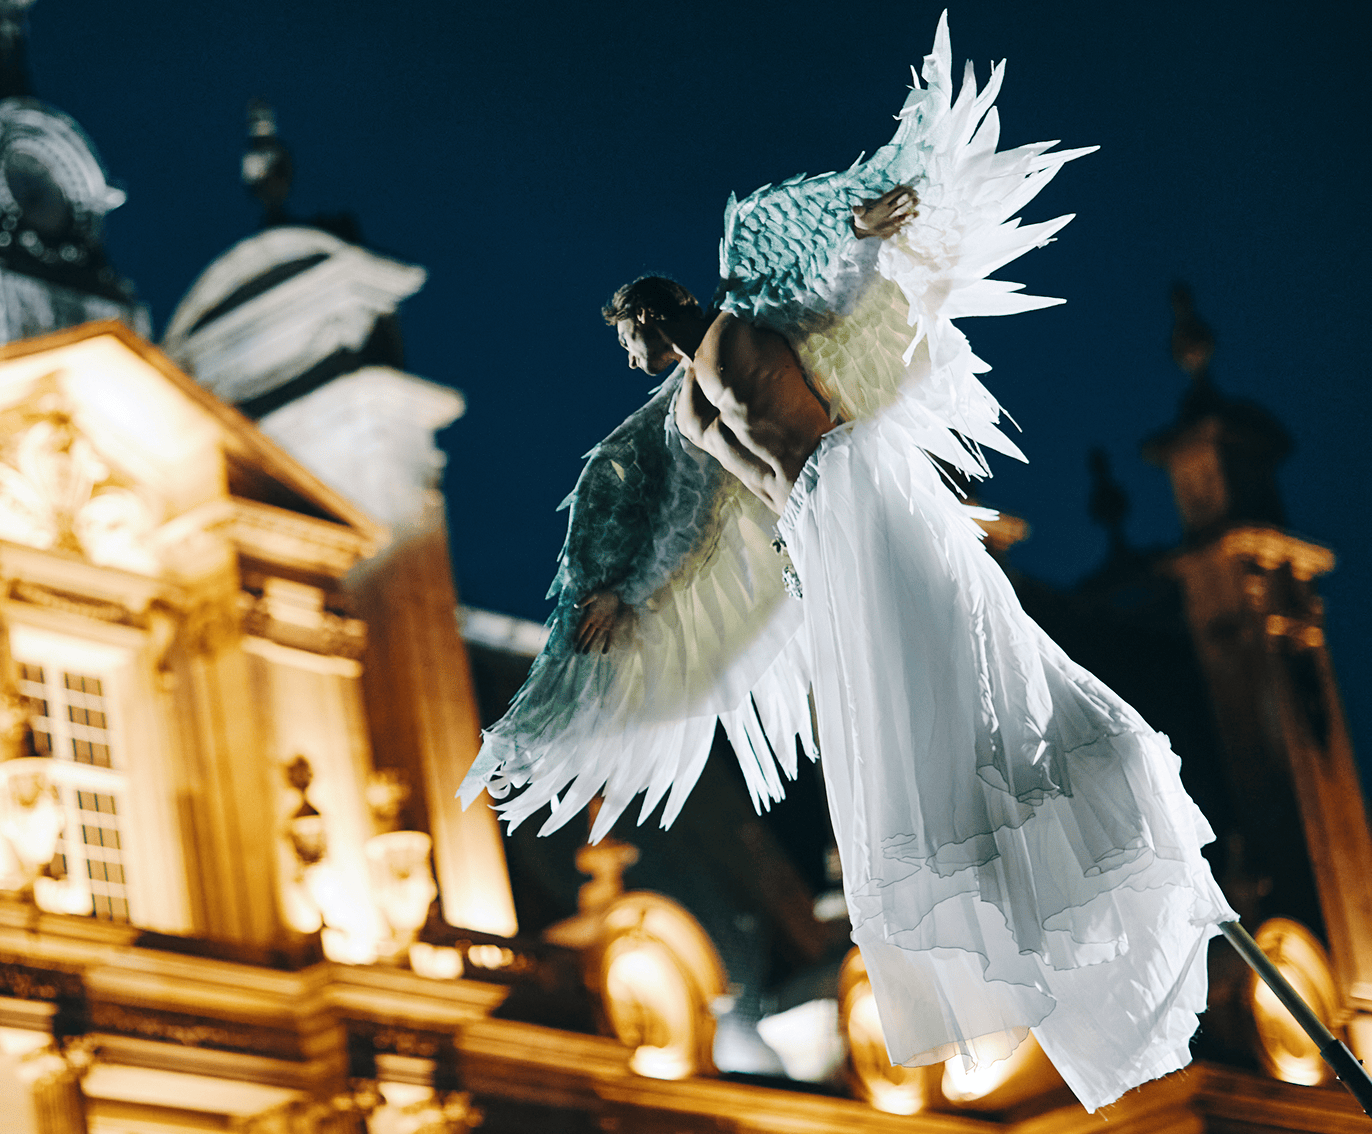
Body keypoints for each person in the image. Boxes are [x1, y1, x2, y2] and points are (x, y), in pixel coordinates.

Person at [459, 16, 1235, 1112]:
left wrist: (869, 233)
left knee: (951, 658)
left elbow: (834, 291)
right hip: (814, 528)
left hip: (853, 482)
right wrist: (621, 598)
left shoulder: (739, 320)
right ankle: (998, 857)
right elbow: (687, 522)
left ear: (654, 308)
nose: (629, 355)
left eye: (629, 333)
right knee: (893, 709)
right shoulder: (682, 407)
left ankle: (1070, 792)